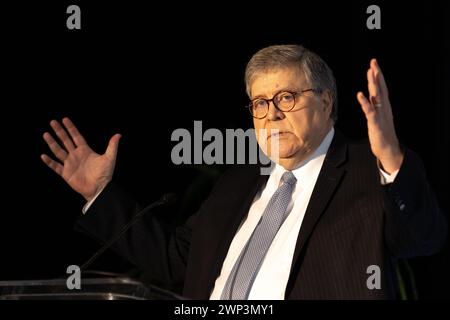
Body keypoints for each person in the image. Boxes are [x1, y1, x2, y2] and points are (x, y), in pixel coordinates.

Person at [41, 45, 447, 299]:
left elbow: (422, 238)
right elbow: (176, 260)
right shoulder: (237, 183)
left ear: (326, 102)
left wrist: (391, 158)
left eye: (287, 97)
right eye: (259, 103)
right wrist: (101, 193)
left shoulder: (366, 169)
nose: (271, 113)